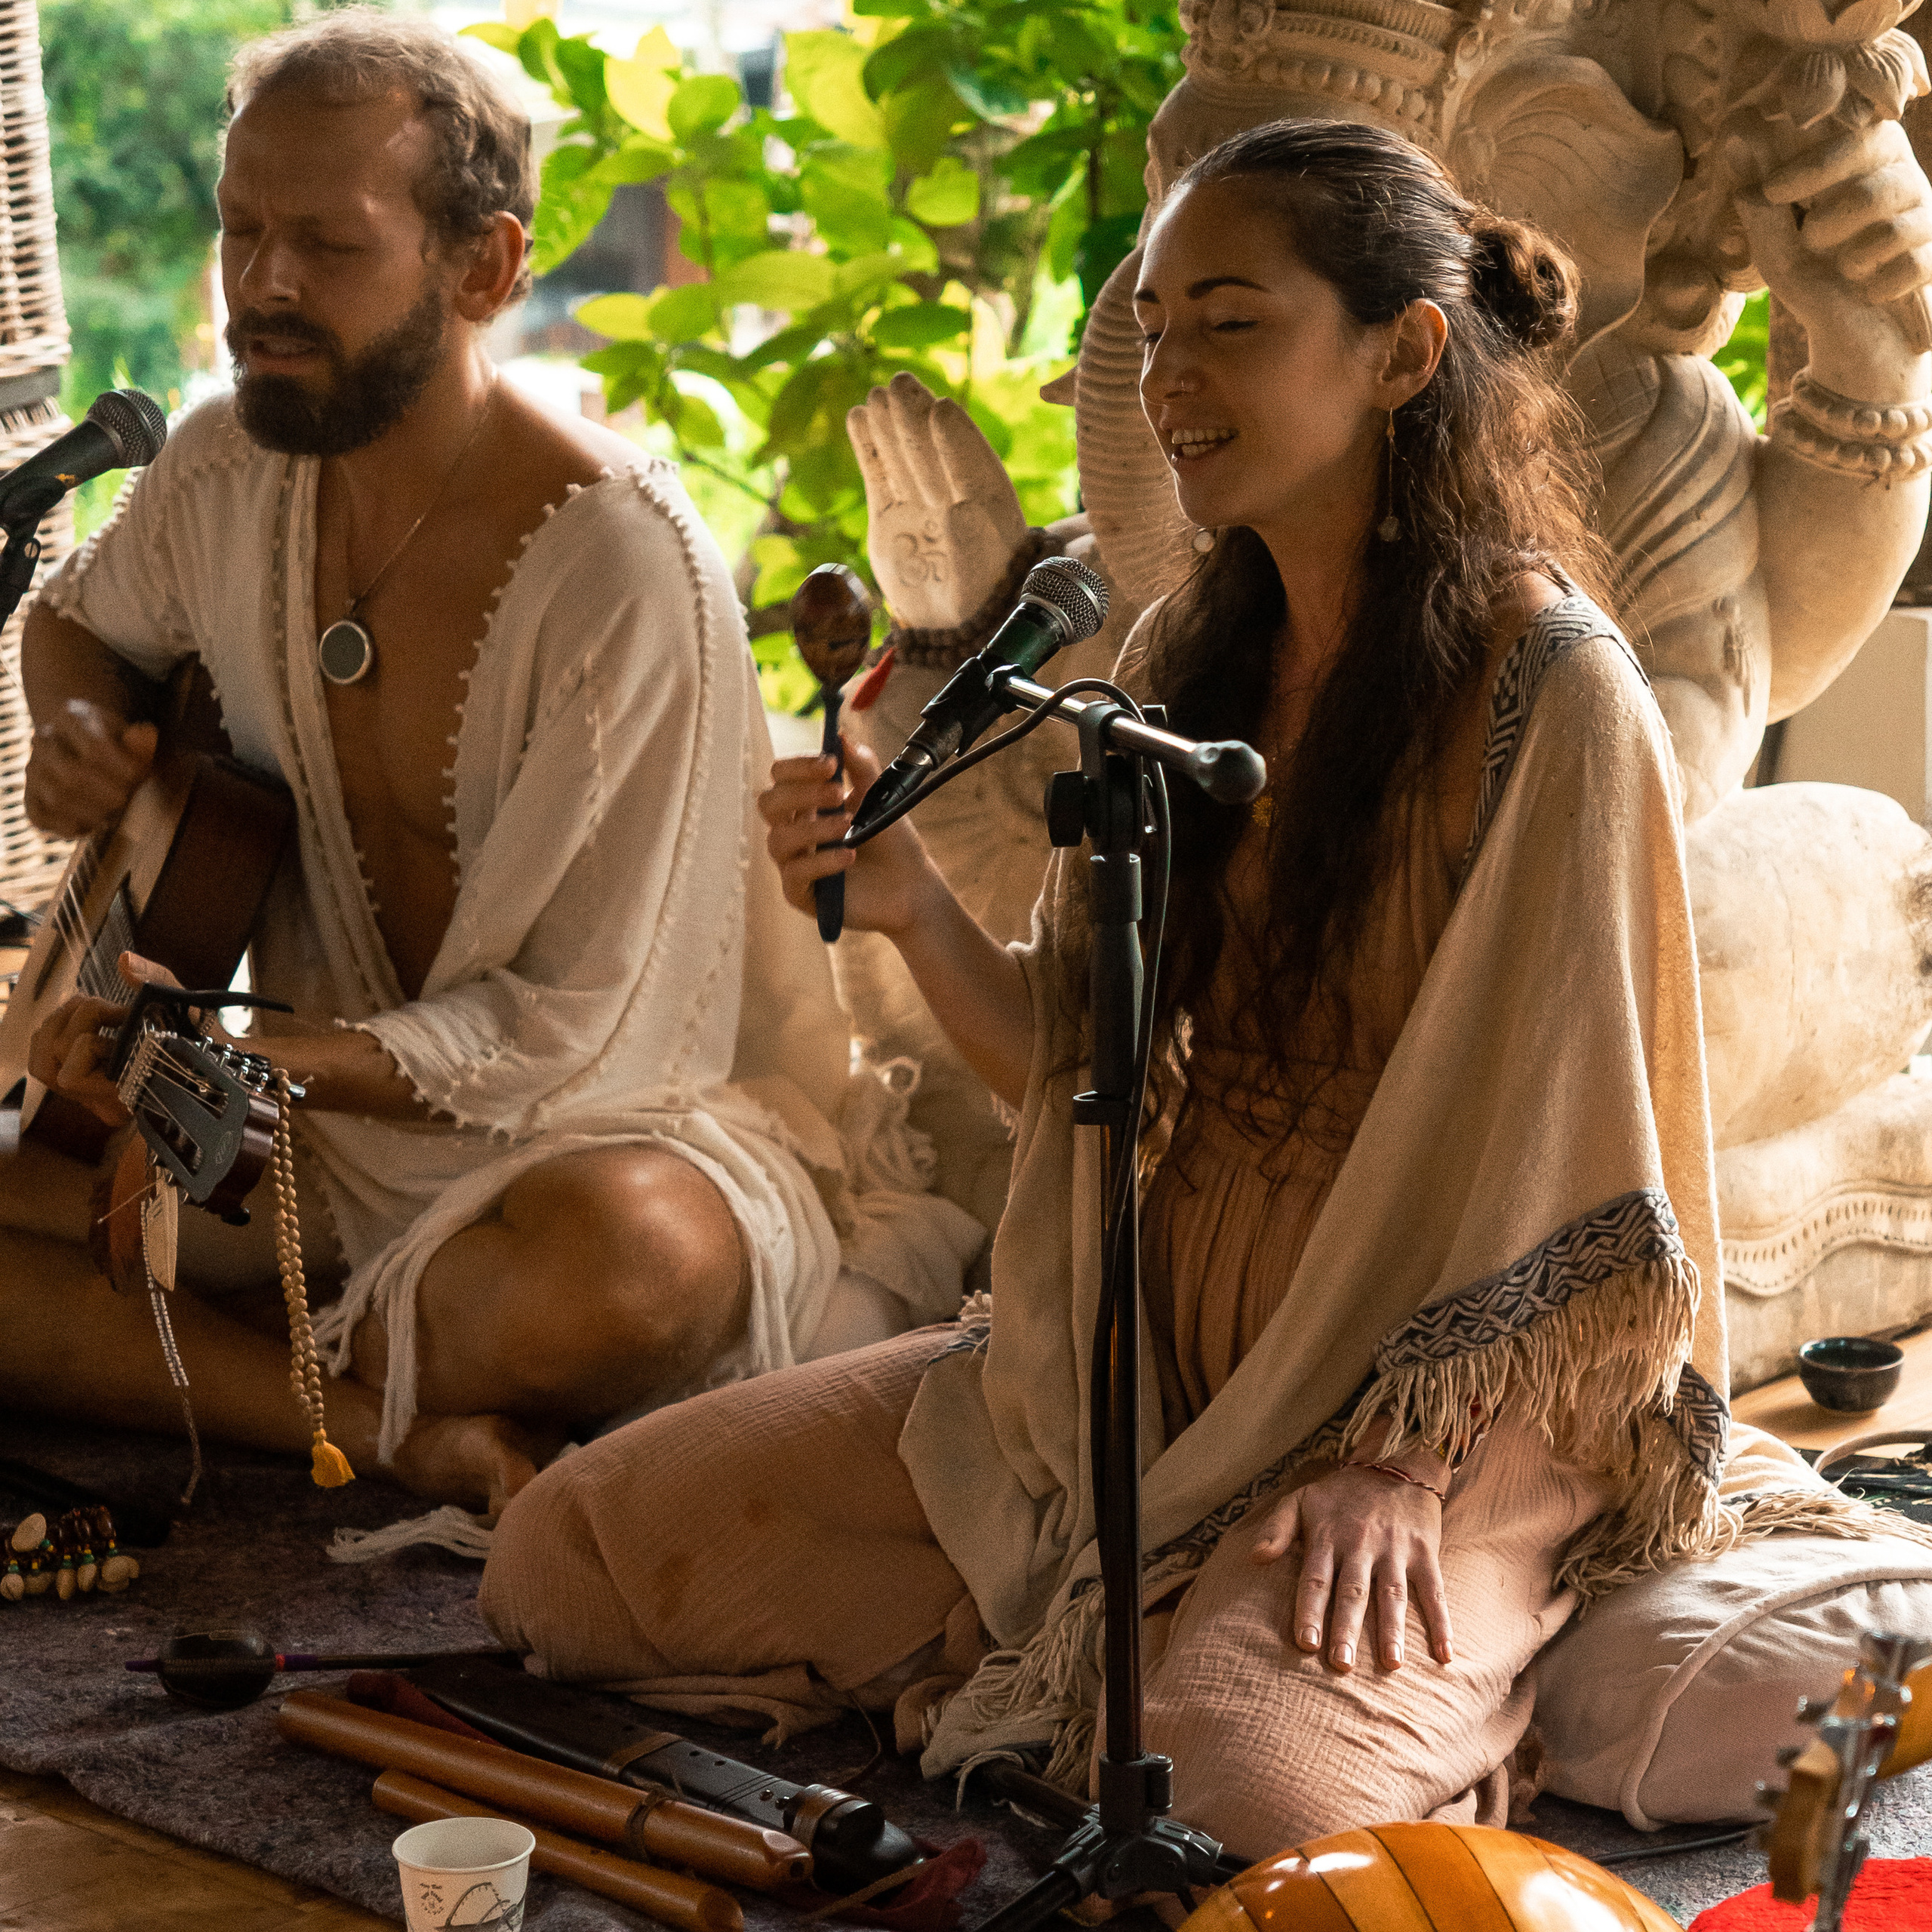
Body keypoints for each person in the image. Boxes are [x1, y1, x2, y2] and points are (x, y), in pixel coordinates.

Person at [480, 118, 1811, 1850]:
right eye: (1156, 324)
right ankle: (1091, 1638)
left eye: (1230, 322)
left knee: (1229, 1802)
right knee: (566, 1559)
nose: (1167, 374)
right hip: (1113, 1380)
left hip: (1430, 1418)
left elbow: (1583, 1195)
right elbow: (1080, 1065)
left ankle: (1410, 1647)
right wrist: (896, 903)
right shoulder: (1196, 652)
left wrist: (1396, 1467)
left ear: (1403, 351)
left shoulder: (1549, 692)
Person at [0, 11, 979, 1516]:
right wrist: (84, 733)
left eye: (325, 244)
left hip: (584, 1134)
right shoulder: (223, 461)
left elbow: (578, 1031)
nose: (261, 283)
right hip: (292, 1126)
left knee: (637, 1267)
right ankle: (396, 1426)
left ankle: (218, 1345)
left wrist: (256, 1060)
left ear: (485, 269)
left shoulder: (618, 567)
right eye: (240, 229)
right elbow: (76, 623)